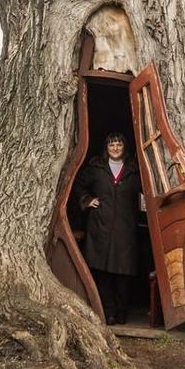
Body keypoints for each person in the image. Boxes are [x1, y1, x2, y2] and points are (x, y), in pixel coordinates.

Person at [74, 132, 141, 325]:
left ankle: (122, 312)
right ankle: (108, 312)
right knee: (102, 271)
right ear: (106, 148)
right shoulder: (96, 168)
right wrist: (87, 200)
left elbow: (147, 192)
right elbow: (78, 186)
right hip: (99, 227)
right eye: (111, 145)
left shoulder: (134, 170)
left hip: (125, 228)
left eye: (119, 144)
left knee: (123, 271)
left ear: (124, 147)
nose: (115, 148)